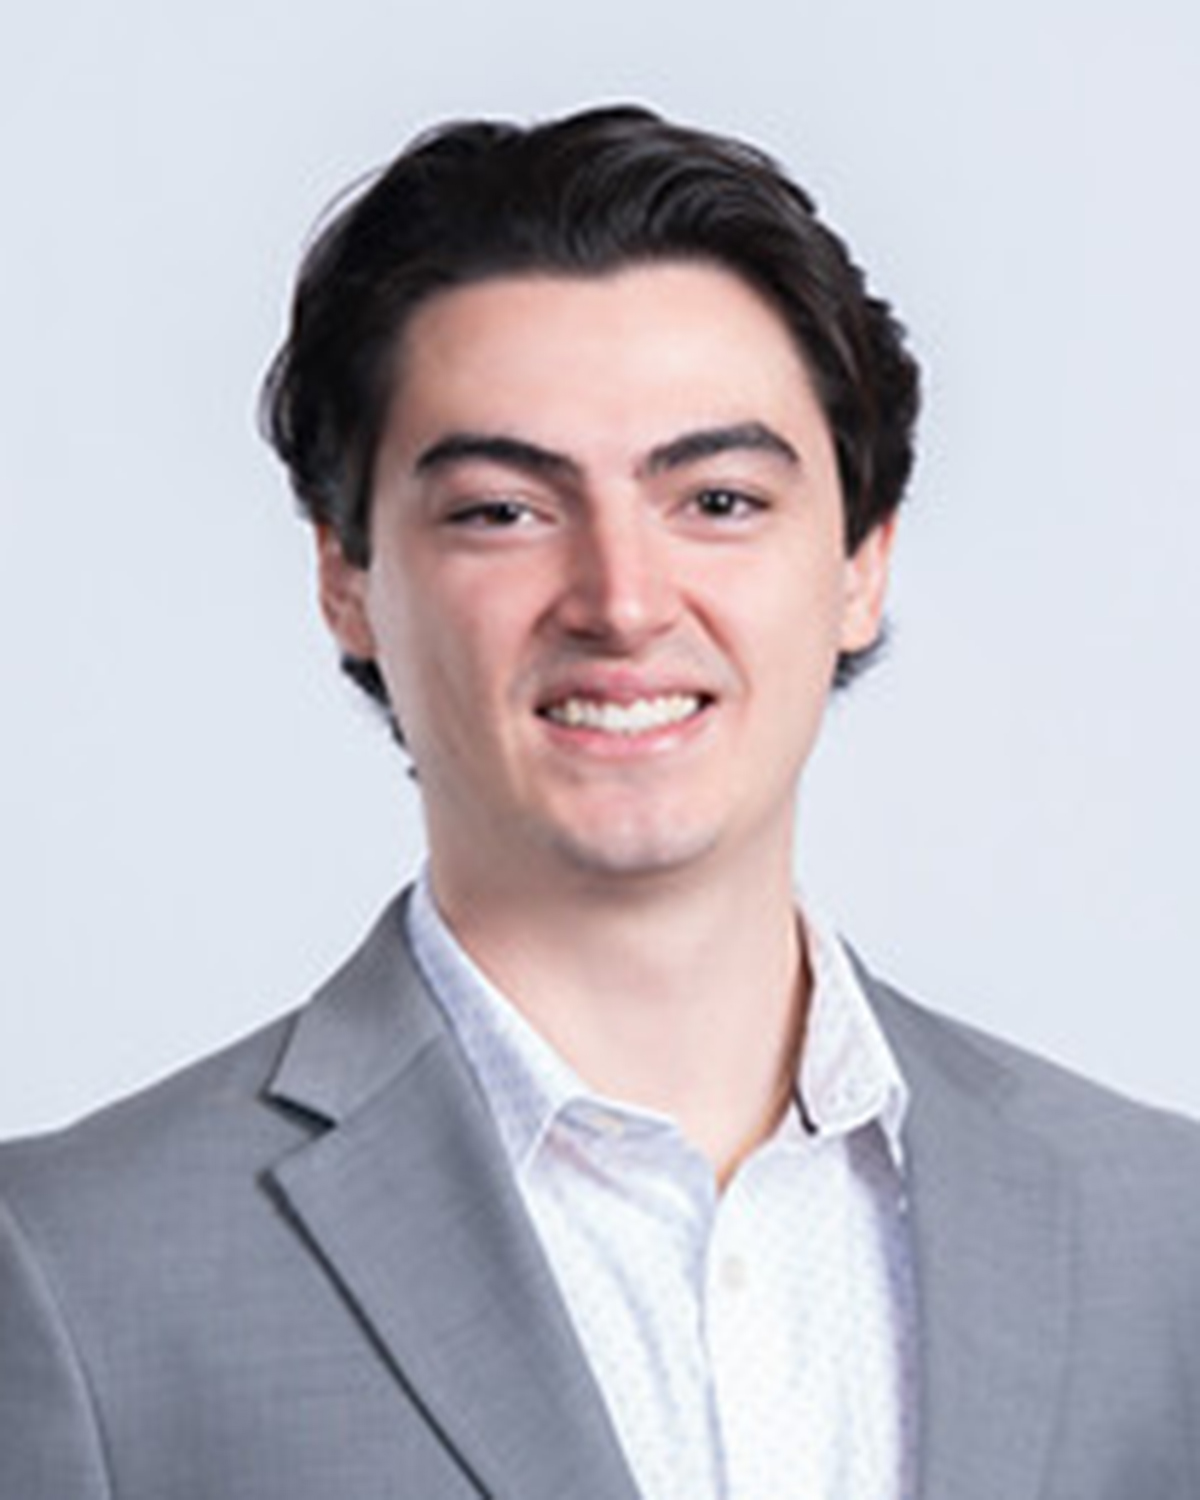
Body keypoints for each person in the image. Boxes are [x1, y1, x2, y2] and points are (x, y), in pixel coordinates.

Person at [1, 105, 1197, 1500]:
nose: (622, 601)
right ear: (347, 577)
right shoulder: (75, 1273)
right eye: (502, 510)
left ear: (862, 562)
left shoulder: (1163, 1238)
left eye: (720, 501)